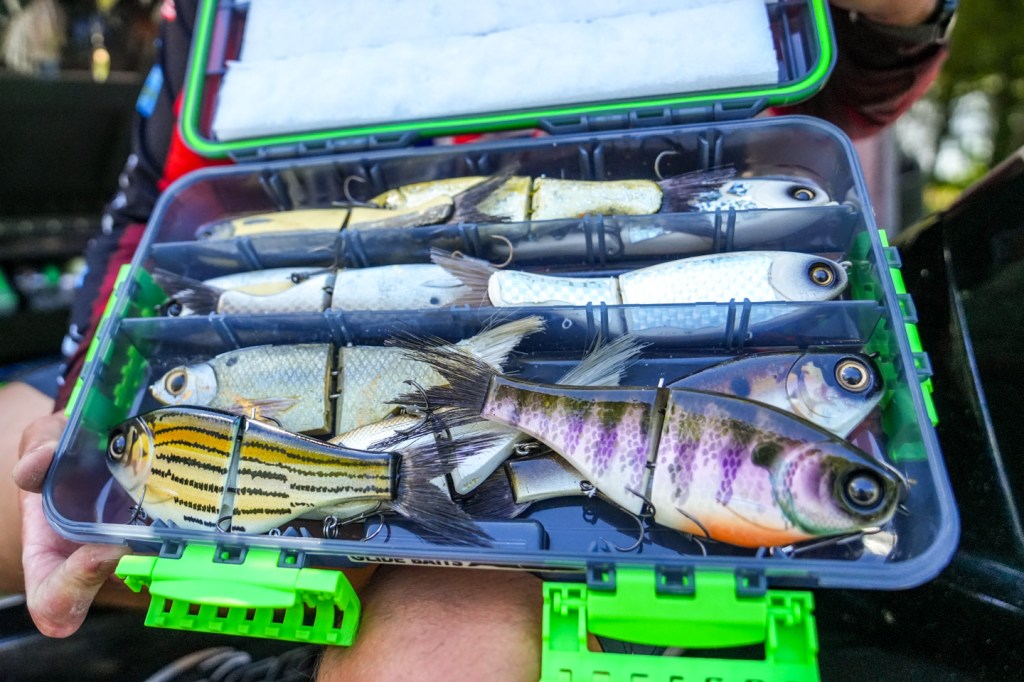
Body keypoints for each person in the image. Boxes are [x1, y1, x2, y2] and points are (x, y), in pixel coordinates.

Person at [2, 0, 956, 679]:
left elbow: (860, 74)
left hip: (494, 424)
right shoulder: (206, 26)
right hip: (386, 365)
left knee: (444, 656)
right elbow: (151, 200)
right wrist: (83, 388)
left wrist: (905, 14)